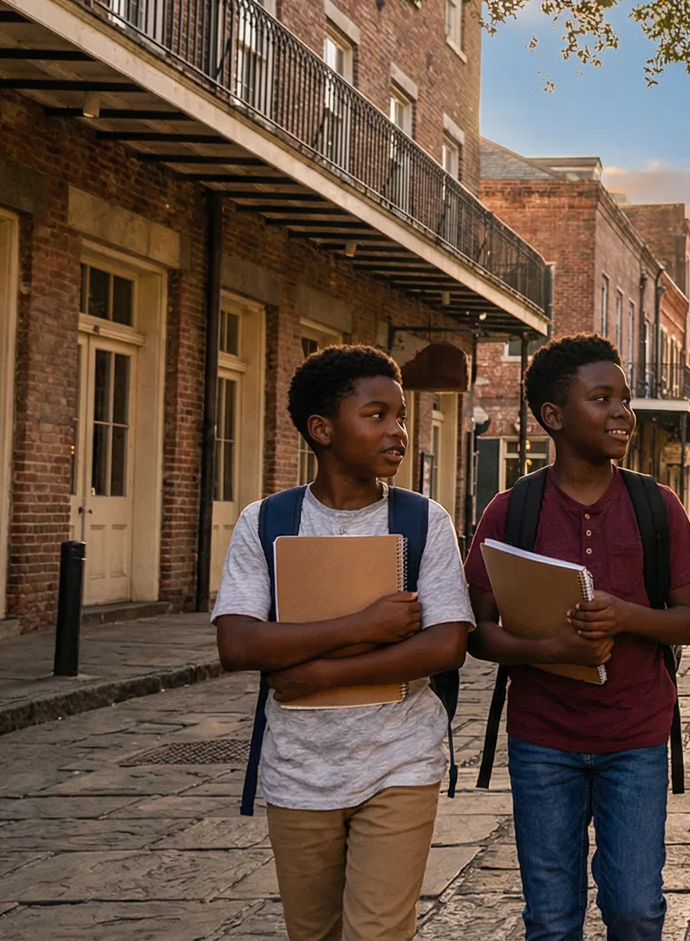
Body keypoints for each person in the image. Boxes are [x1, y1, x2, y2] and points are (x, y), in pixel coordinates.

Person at [212, 345, 472, 941]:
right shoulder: (267, 521)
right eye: (377, 415)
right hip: (297, 769)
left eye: (400, 416)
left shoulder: (422, 520)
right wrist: (362, 627)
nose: (398, 432)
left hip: (401, 760)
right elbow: (238, 643)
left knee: (377, 932)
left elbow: (446, 644)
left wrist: (323, 673)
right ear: (322, 430)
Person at [462, 334, 690, 941]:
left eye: (624, 399)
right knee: (550, 918)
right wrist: (547, 651)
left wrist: (626, 616)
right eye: (602, 399)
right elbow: (477, 633)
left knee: (637, 912)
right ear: (553, 416)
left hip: (637, 737)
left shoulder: (658, 505)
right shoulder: (510, 511)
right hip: (543, 739)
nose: (623, 413)